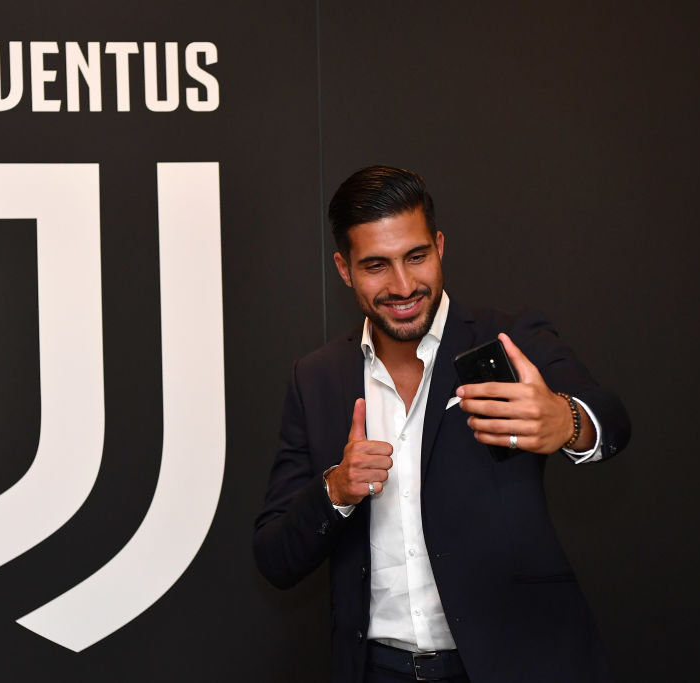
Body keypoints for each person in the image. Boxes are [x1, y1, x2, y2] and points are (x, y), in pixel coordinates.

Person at [254, 166, 630, 683]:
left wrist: (566, 421)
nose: (403, 285)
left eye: (416, 256)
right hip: (378, 669)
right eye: (376, 266)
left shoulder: (509, 340)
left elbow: (609, 418)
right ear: (344, 269)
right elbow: (275, 557)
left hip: (518, 663)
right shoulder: (315, 379)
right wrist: (336, 490)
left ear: (439, 245)